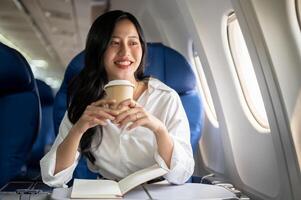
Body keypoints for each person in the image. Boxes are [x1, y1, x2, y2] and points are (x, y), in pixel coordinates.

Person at [40, 10, 194, 187]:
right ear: (99, 50)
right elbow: (53, 177)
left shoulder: (166, 98)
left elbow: (182, 174)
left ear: (142, 50)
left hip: (158, 191)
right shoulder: (85, 100)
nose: (125, 52)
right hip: (108, 192)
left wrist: (159, 129)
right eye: (114, 43)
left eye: (133, 43)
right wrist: (78, 129)